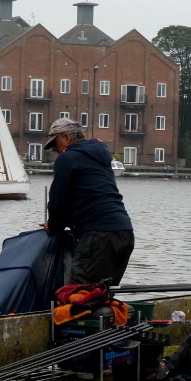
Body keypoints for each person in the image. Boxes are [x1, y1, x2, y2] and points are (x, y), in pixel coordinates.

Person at [40, 118, 134, 286]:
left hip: (98, 235)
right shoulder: (99, 156)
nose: (54, 149)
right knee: (103, 293)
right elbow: (89, 196)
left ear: (67, 137)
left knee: (80, 293)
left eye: (55, 142)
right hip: (124, 232)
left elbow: (57, 202)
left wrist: (53, 225)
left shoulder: (67, 158)